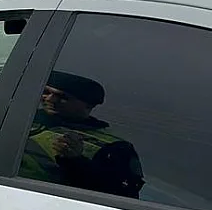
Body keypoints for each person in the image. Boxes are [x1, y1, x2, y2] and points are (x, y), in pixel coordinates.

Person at [18, 71, 145, 199]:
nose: (50, 99)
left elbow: (121, 197)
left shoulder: (116, 148)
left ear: (88, 105)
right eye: (46, 92)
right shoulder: (19, 117)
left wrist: (76, 162)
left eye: (63, 97)